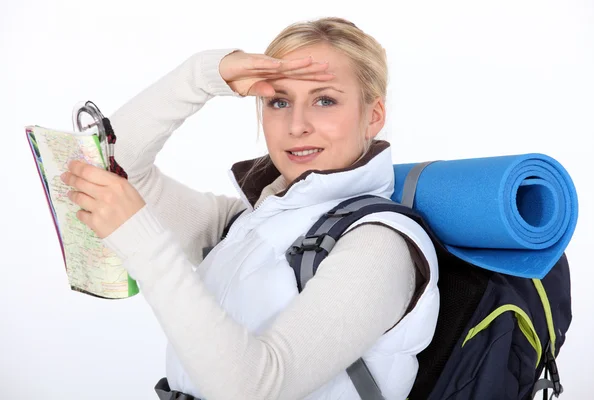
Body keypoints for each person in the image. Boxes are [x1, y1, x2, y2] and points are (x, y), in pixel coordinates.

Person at [61, 17, 439, 399]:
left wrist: (142, 242)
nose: (296, 125)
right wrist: (202, 76)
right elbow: (114, 161)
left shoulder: (379, 245)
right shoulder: (246, 225)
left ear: (373, 115)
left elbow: (254, 389)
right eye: (279, 101)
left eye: (325, 100)